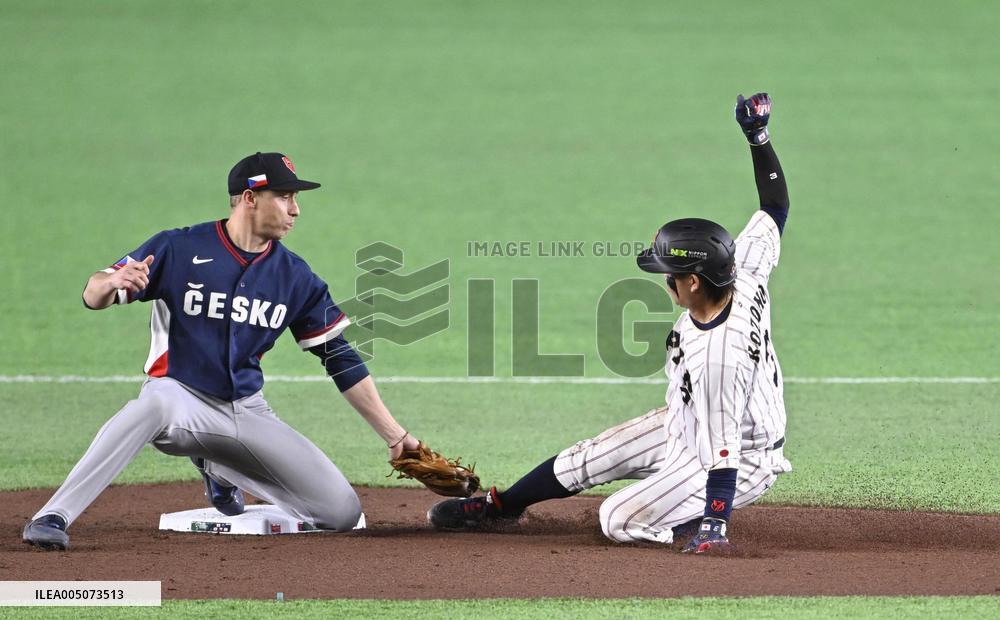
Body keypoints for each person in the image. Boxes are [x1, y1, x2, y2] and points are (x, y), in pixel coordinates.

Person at [428, 93, 792, 554]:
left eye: (669, 273)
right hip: (689, 422)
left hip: (742, 455)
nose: (663, 280)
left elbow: (723, 454)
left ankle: (685, 524)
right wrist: (758, 137)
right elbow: (774, 207)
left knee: (617, 518)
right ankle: (500, 508)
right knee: (587, 458)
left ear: (694, 281)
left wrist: (714, 524)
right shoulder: (743, 272)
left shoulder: (719, 356)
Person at [23, 152, 422, 550]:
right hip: (178, 399)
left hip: (247, 410)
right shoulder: (178, 247)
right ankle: (54, 515)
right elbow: (94, 294)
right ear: (250, 198)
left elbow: (340, 357)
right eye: (284, 197)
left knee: (340, 513)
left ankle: (218, 465)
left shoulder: (296, 277)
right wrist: (110, 283)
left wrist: (394, 434)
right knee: (150, 406)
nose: (295, 210)